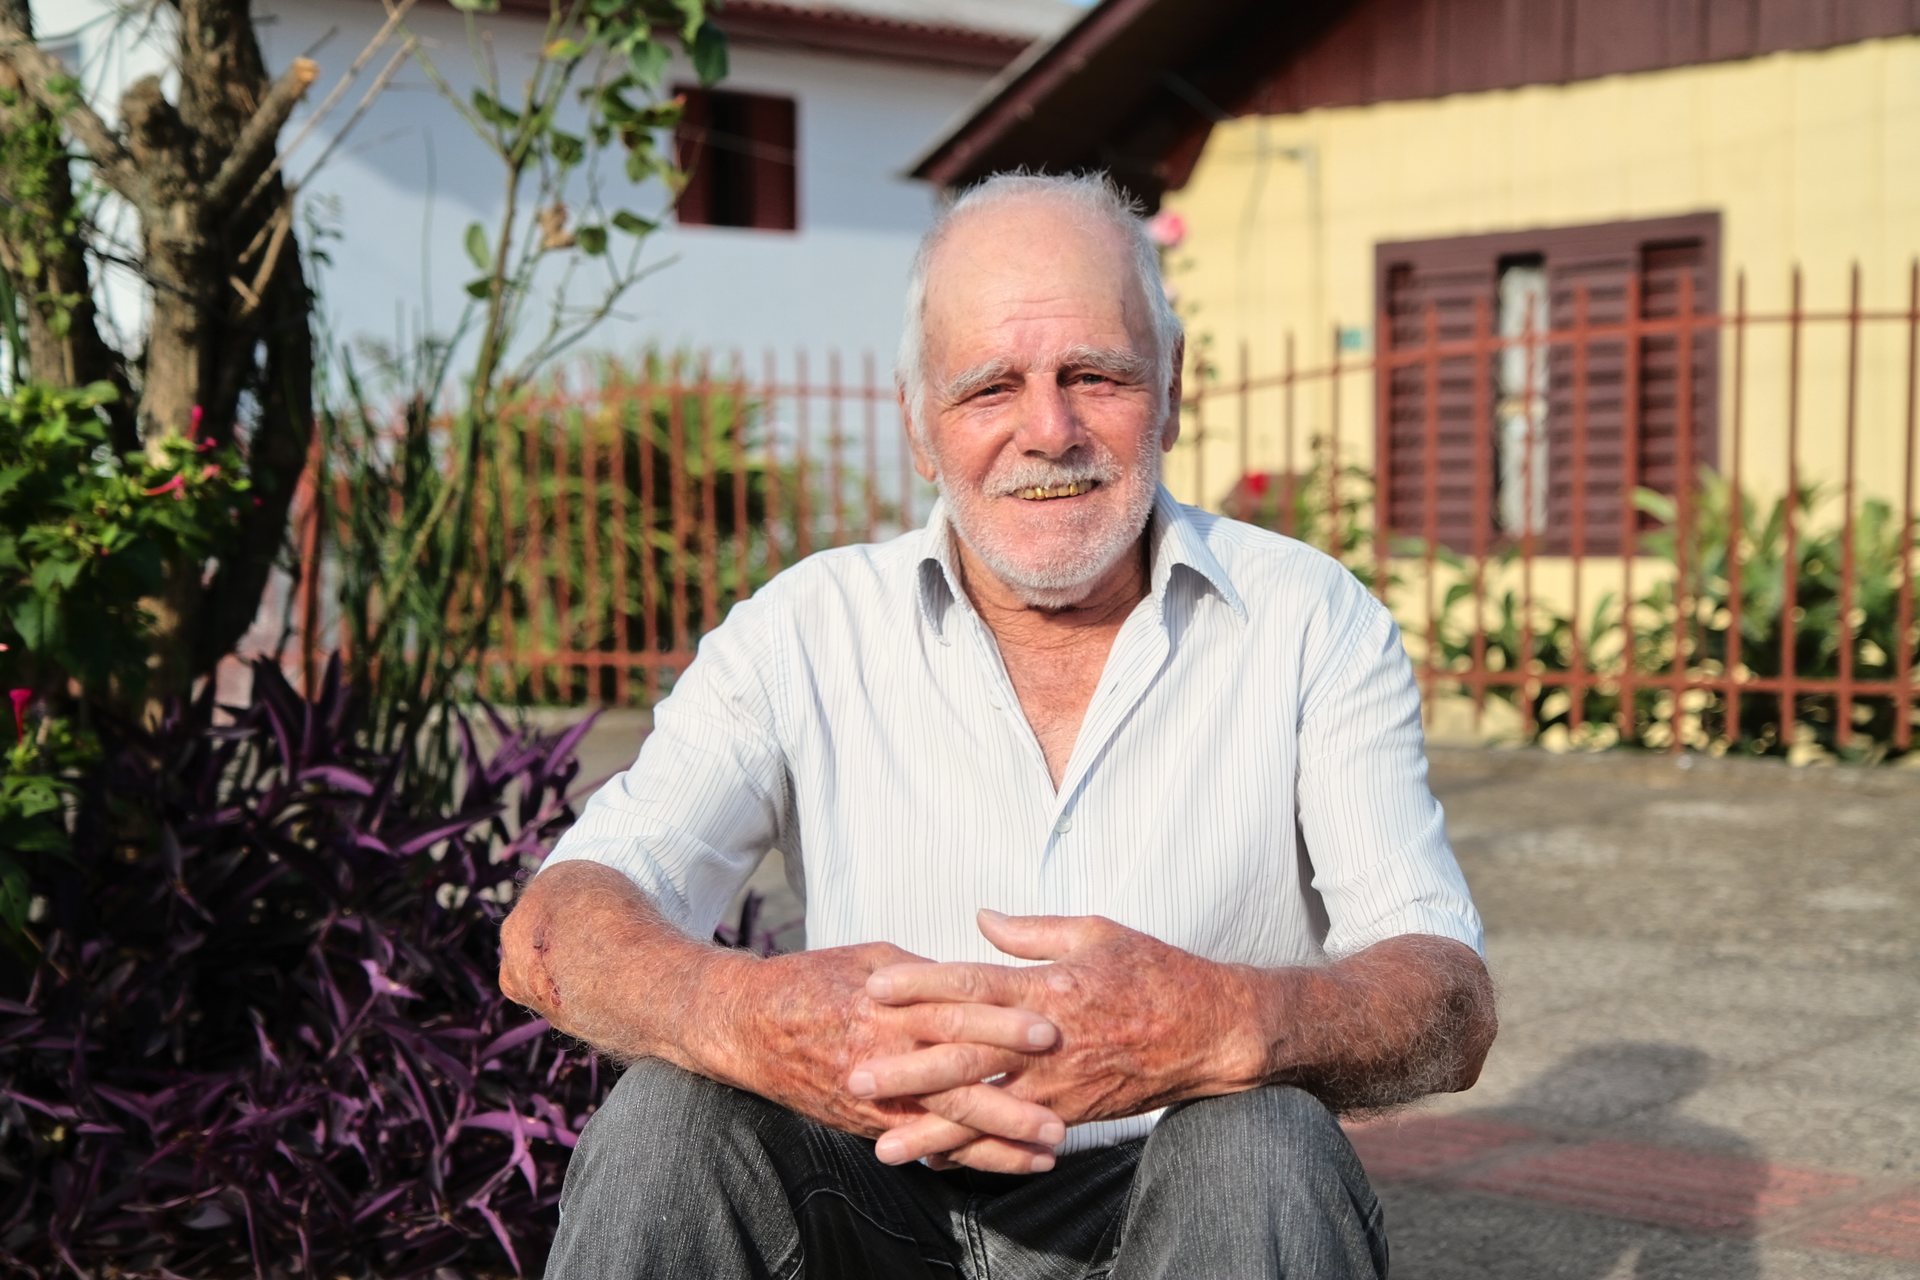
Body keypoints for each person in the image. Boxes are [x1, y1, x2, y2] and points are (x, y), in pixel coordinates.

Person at [499, 171, 1497, 1279]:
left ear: (1171, 392)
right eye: (990, 388)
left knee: (1259, 1143)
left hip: (1178, 1208)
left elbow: (1448, 1000)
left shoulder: (1311, 619)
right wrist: (749, 1009)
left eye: (1096, 374)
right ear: (921, 428)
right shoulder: (805, 628)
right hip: (868, 1194)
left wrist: (1224, 1019)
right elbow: (556, 927)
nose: (1049, 428)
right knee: (667, 1123)